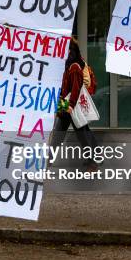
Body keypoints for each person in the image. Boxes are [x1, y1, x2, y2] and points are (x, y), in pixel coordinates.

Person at [49, 38, 101, 172]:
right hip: (65, 102)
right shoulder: (69, 64)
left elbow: (76, 88)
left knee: (79, 133)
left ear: (70, 51)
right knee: (64, 131)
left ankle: (92, 162)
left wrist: (70, 105)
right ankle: (95, 157)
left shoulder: (74, 67)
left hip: (71, 103)